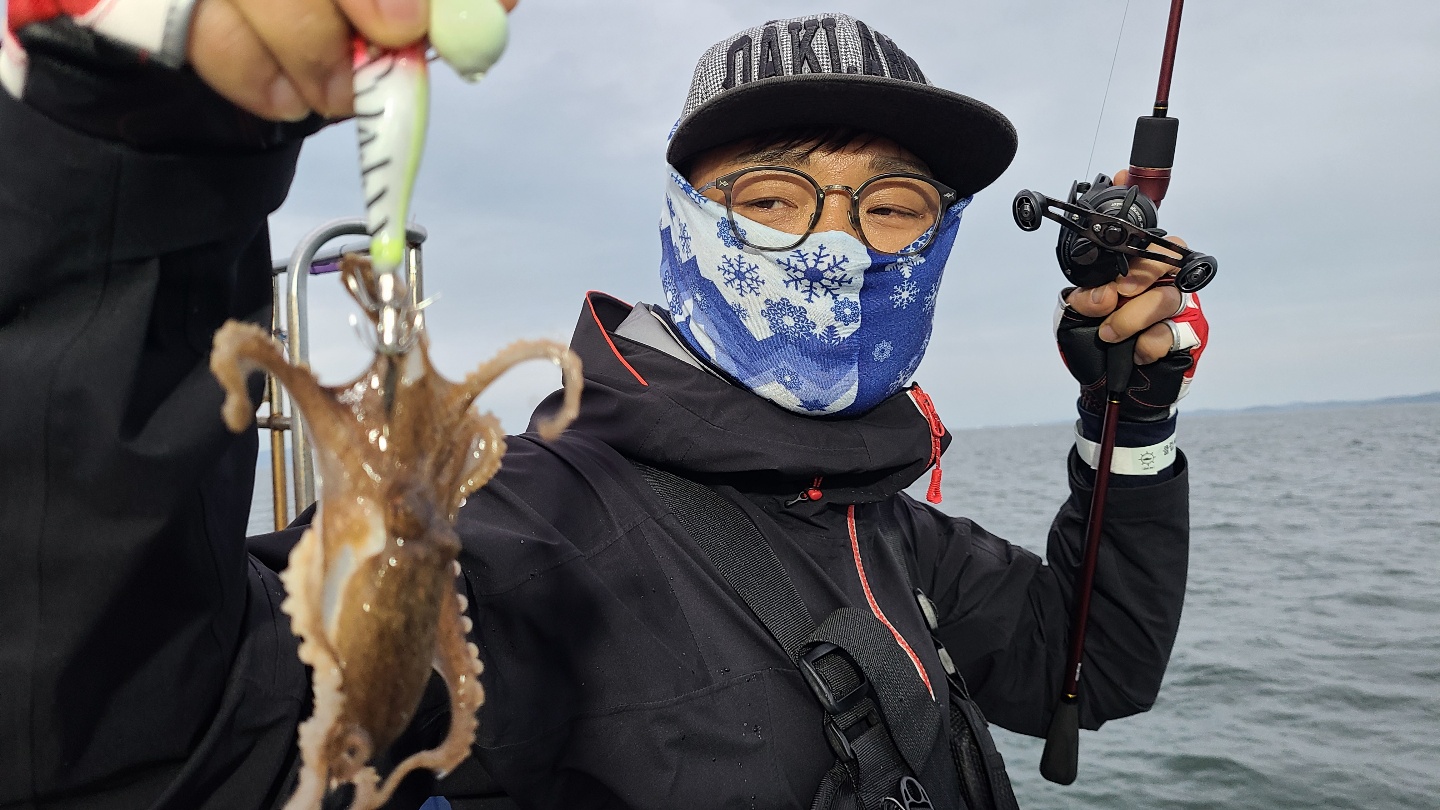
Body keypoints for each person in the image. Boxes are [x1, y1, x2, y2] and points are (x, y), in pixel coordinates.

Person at [0, 3, 1207, 808]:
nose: (839, 245)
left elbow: (1084, 668)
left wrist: (1130, 427)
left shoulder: (887, 527)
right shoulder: (520, 535)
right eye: (772, 198)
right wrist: (132, 145)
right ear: (683, 225)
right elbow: (156, 738)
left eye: (894, 207)